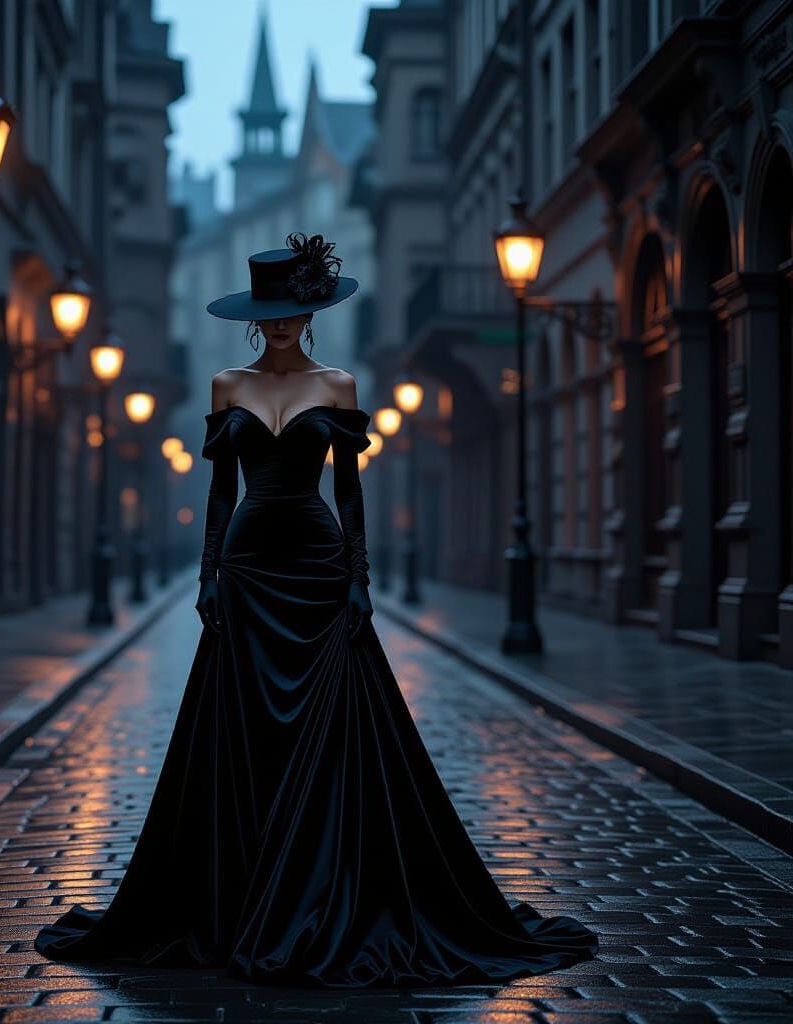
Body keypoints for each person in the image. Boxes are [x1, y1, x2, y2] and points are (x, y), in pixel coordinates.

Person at [34, 233, 599, 988]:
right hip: (246, 569)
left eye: (290, 312)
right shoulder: (227, 385)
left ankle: (319, 883)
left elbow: (350, 492)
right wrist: (208, 575)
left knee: (332, 725)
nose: (278, 324)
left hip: (317, 564)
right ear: (253, 318)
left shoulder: (338, 384)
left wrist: (358, 579)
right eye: (267, 313)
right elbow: (221, 493)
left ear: (309, 313)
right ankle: (241, 890)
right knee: (240, 727)